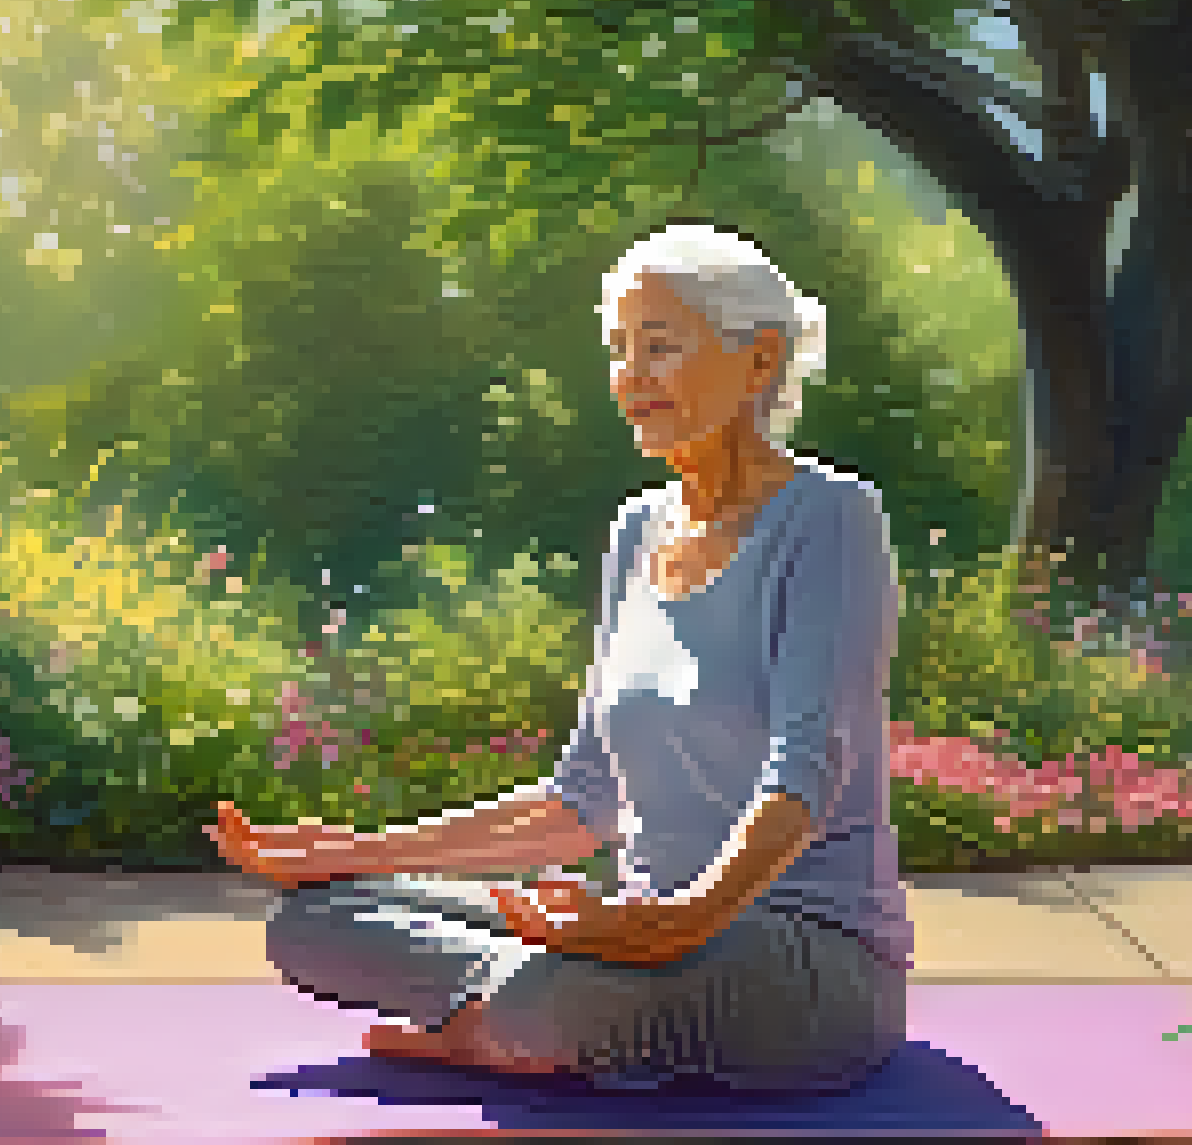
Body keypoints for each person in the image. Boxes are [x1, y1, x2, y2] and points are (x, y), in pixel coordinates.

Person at [207, 222, 911, 1093]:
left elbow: (808, 767)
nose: (632, 378)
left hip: (804, 962)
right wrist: (350, 852)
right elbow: (584, 800)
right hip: (633, 934)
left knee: (553, 1001)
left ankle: (512, 1029)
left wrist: (679, 924)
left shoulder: (832, 518)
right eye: (620, 352)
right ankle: (528, 1026)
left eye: (661, 347)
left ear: (760, 359)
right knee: (312, 921)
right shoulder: (635, 531)